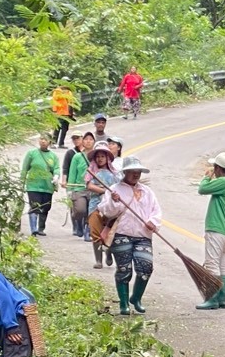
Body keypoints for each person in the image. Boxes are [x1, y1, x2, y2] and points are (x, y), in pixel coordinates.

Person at [97, 156, 162, 315]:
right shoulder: (114, 189)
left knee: (146, 267)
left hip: (143, 235)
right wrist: (114, 201)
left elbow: (156, 211)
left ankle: (136, 298)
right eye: (132, 171)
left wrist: (153, 222)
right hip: (122, 234)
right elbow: (107, 212)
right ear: (125, 172)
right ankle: (124, 303)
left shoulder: (147, 191)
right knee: (124, 269)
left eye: (138, 171)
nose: (136, 174)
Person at [196, 153, 225, 310]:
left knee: (211, 263)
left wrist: (207, 177)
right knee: (222, 264)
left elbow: (202, 189)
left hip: (216, 229)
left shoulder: (223, 181)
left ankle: (212, 299)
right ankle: (223, 299)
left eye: (214, 167)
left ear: (218, 168)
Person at [83, 141, 119, 268]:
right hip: (95, 205)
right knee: (95, 232)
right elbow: (89, 186)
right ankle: (98, 260)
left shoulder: (115, 174)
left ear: (107, 158)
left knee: (109, 233)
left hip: (110, 207)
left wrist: (111, 193)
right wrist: (104, 191)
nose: (100, 159)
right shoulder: (91, 172)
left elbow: (118, 189)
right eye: (97, 156)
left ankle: (108, 252)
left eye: (102, 156)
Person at [20, 134, 58, 236]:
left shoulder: (53, 156)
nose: (43, 141)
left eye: (46, 139)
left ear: (50, 142)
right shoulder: (31, 154)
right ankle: (33, 229)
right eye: (41, 139)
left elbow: (56, 168)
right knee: (34, 206)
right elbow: (25, 168)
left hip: (47, 187)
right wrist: (21, 182)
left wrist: (56, 176)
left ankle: (41, 228)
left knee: (46, 207)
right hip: (33, 185)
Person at [62, 133, 93, 240]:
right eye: (86, 139)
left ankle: (87, 232)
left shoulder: (97, 156)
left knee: (91, 212)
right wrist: (70, 190)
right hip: (79, 188)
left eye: (91, 139)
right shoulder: (77, 157)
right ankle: (78, 222)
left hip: (93, 189)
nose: (88, 141)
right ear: (83, 141)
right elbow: (72, 174)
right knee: (80, 210)